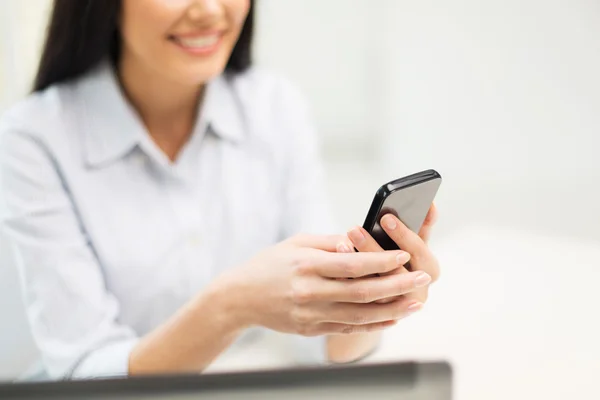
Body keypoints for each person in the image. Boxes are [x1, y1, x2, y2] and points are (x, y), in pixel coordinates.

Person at [0, 0, 440, 380]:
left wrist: (368, 303)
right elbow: (85, 375)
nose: (210, 10)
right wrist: (232, 305)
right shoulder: (35, 139)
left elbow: (320, 344)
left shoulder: (273, 106)